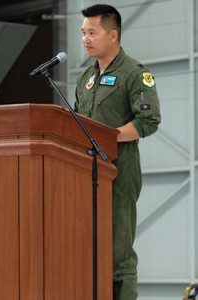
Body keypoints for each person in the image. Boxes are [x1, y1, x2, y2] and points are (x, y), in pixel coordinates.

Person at [74, 4, 161, 299]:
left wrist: (108, 137)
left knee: (118, 253)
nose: (86, 38)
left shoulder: (134, 74)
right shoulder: (85, 78)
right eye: (83, 32)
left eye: (92, 32)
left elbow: (148, 121)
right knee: (87, 250)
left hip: (119, 171)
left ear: (113, 35)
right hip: (85, 170)